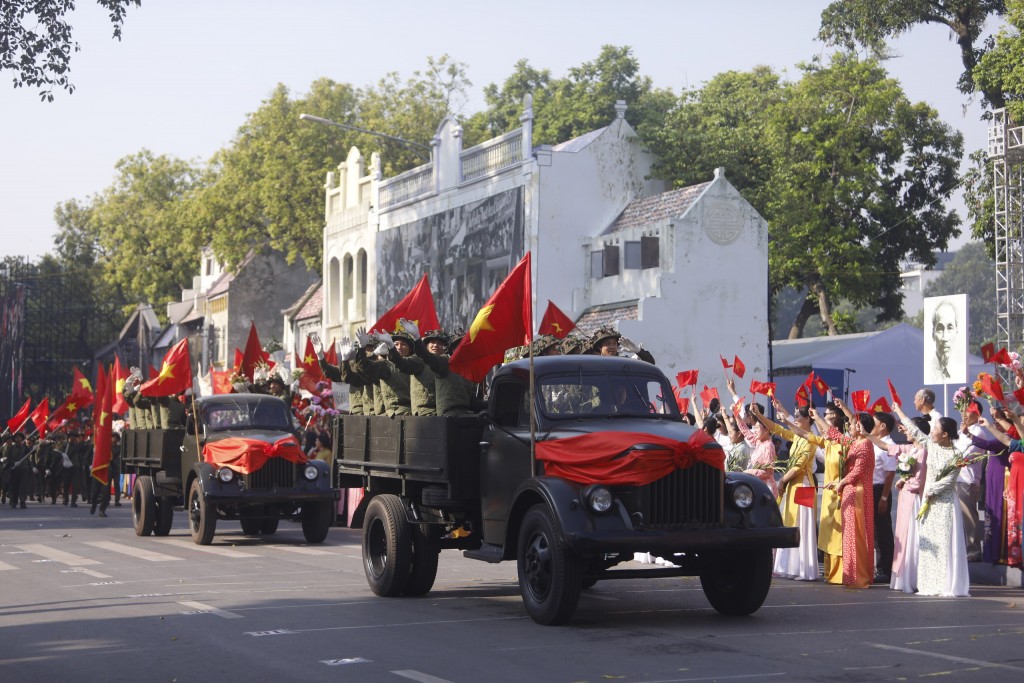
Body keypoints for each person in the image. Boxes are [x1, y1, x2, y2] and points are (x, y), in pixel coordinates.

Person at [894, 402, 970, 597]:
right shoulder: (931, 446)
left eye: (935, 428)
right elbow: (915, 431)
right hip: (929, 504)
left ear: (945, 434)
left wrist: (931, 490)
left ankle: (946, 584)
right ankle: (928, 584)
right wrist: (899, 411)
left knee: (944, 543)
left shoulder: (956, 454)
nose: (932, 431)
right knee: (928, 544)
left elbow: (949, 480)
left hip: (944, 504)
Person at [755, 399, 818, 580]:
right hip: (793, 484)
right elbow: (776, 429)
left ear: (808, 419)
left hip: (804, 485)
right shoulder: (798, 436)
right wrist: (759, 415)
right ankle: (792, 567)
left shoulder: (810, 439)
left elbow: (799, 465)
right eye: (795, 415)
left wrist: (782, 480)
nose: (796, 418)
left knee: (802, 526)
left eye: (798, 416)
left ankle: (805, 569)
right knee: (791, 522)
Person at [867, 416, 930, 593]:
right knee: (902, 535)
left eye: (910, 429)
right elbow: (885, 447)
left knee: (911, 536)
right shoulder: (909, 448)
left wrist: (903, 483)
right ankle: (903, 574)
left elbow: (920, 479)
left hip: (914, 497)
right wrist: (866, 434)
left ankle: (915, 575)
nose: (906, 432)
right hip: (905, 496)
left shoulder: (924, 451)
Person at [822, 408, 876, 589]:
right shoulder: (855, 442)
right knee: (850, 534)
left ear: (859, 427)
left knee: (857, 534)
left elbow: (858, 471)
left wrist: (840, 483)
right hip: (849, 490)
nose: (850, 426)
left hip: (858, 491)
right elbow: (838, 437)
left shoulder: (865, 444)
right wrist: (816, 418)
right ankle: (851, 574)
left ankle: (859, 575)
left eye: (853, 424)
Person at [954, 399, 987, 561]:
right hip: (956, 478)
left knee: (968, 515)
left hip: (968, 479)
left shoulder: (978, 433)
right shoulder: (961, 432)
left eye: (968, 411)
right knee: (959, 516)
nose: (964, 414)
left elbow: (965, 454)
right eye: (963, 410)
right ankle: (963, 549)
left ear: (977, 413)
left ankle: (973, 550)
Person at [927, 300, 959, 382]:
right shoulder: (928, 373)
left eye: (950, 328)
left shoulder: (960, 373)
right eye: (940, 329)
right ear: (933, 334)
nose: (945, 338)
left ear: (956, 332)